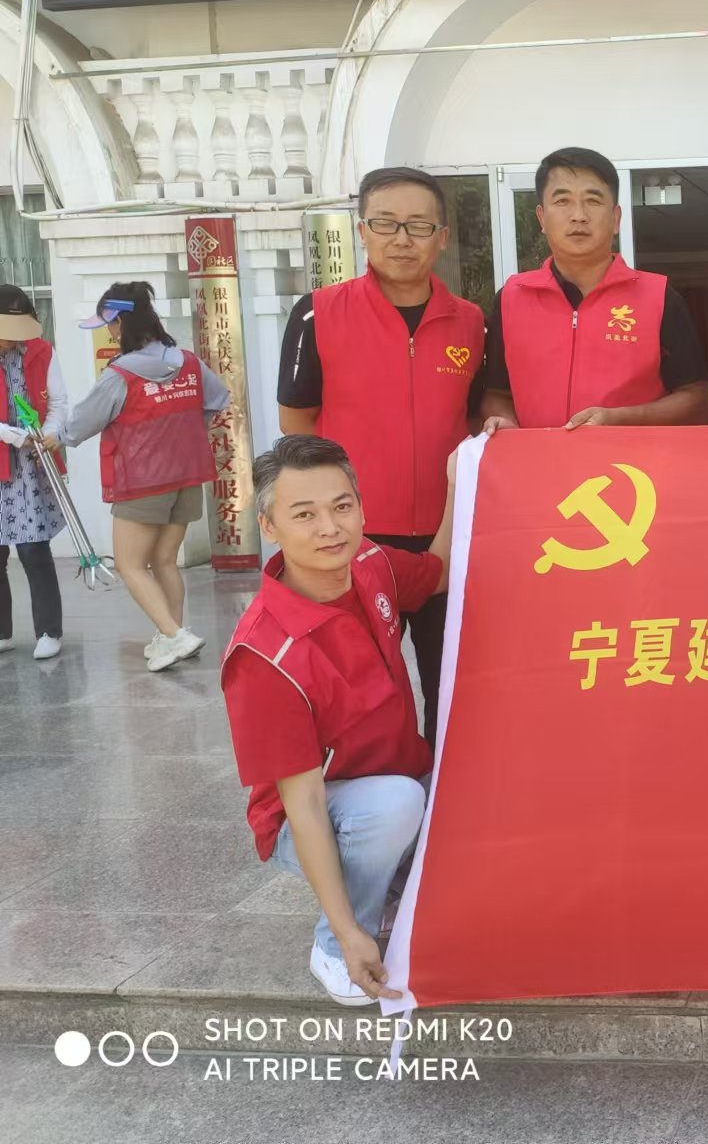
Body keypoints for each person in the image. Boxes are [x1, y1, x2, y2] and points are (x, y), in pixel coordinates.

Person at [221, 434, 454, 1006]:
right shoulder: (265, 654)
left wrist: (457, 482)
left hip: (397, 777)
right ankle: (334, 944)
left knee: (472, 785)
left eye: (341, 506)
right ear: (269, 526)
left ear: (361, 509)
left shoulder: (370, 562)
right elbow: (302, 804)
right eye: (304, 514)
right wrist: (349, 933)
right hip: (315, 816)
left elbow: (438, 573)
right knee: (394, 805)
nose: (330, 528)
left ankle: (394, 884)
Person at [277, 166, 485, 744]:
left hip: (447, 540)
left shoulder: (471, 323)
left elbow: (472, 422)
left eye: (419, 225)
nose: (402, 239)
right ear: (362, 231)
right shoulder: (318, 313)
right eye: (386, 223)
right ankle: (377, 792)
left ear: (442, 237)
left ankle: (443, 790)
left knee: (452, 687)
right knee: (361, 694)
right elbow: (296, 426)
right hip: (354, 542)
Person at [480, 147, 708, 433]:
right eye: (562, 201)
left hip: (632, 461)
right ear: (541, 218)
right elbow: (497, 394)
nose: (578, 215)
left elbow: (697, 400)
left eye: (593, 200)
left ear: (616, 218)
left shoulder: (660, 298)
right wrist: (505, 424)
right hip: (536, 461)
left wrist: (621, 420)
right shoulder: (511, 299)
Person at [63, 283, 228, 672]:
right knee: (164, 561)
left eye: (110, 325)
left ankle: (175, 636)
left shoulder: (120, 374)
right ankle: (172, 634)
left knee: (130, 565)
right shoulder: (188, 362)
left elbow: (80, 424)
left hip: (141, 481)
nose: (110, 333)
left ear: (122, 322)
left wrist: (59, 435)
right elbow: (218, 399)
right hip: (187, 475)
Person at [0, 287, 67, 660]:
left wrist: (50, 433)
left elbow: (58, 402)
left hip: (29, 466)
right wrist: (15, 436)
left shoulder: (42, 350)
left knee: (33, 549)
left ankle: (48, 630)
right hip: (5, 453)